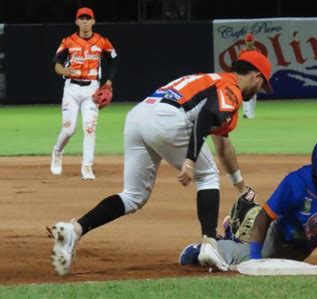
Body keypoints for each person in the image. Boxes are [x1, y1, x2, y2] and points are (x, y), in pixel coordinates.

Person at [47, 50, 273, 276]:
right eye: (262, 84)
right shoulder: (230, 89)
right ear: (255, 76)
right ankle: (209, 244)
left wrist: (240, 187)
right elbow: (205, 117)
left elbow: (223, 145)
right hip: (168, 119)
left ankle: (74, 231)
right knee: (208, 176)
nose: (259, 91)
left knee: (133, 196)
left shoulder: (212, 80)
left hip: (139, 116)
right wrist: (190, 160)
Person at [179, 134, 317, 273]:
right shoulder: (296, 182)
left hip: (304, 244)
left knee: (284, 270)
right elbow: (266, 216)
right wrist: (256, 259)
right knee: (242, 260)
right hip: (279, 237)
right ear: (316, 169)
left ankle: (236, 228)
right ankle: (209, 246)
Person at [50, 7, 118, 180]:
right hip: (71, 89)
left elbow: (114, 60)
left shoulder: (102, 41)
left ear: (93, 21)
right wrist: (64, 71)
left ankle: (87, 166)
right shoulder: (68, 41)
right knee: (68, 130)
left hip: (92, 90)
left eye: (88, 18)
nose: (85, 21)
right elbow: (57, 63)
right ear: (77, 22)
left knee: (89, 128)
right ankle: (57, 152)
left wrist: (108, 82)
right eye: (82, 18)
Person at [240, 33, 260, 119]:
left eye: (250, 41)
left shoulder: (257, 51)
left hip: (254, 74)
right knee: (245, 93)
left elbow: (260, 63)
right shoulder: (242, 52)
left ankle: (251, 112)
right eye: (248, 41)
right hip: (245, 74)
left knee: (253, 94)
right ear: (245, 41)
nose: (249, 42)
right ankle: (246, 112)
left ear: (253, 41)